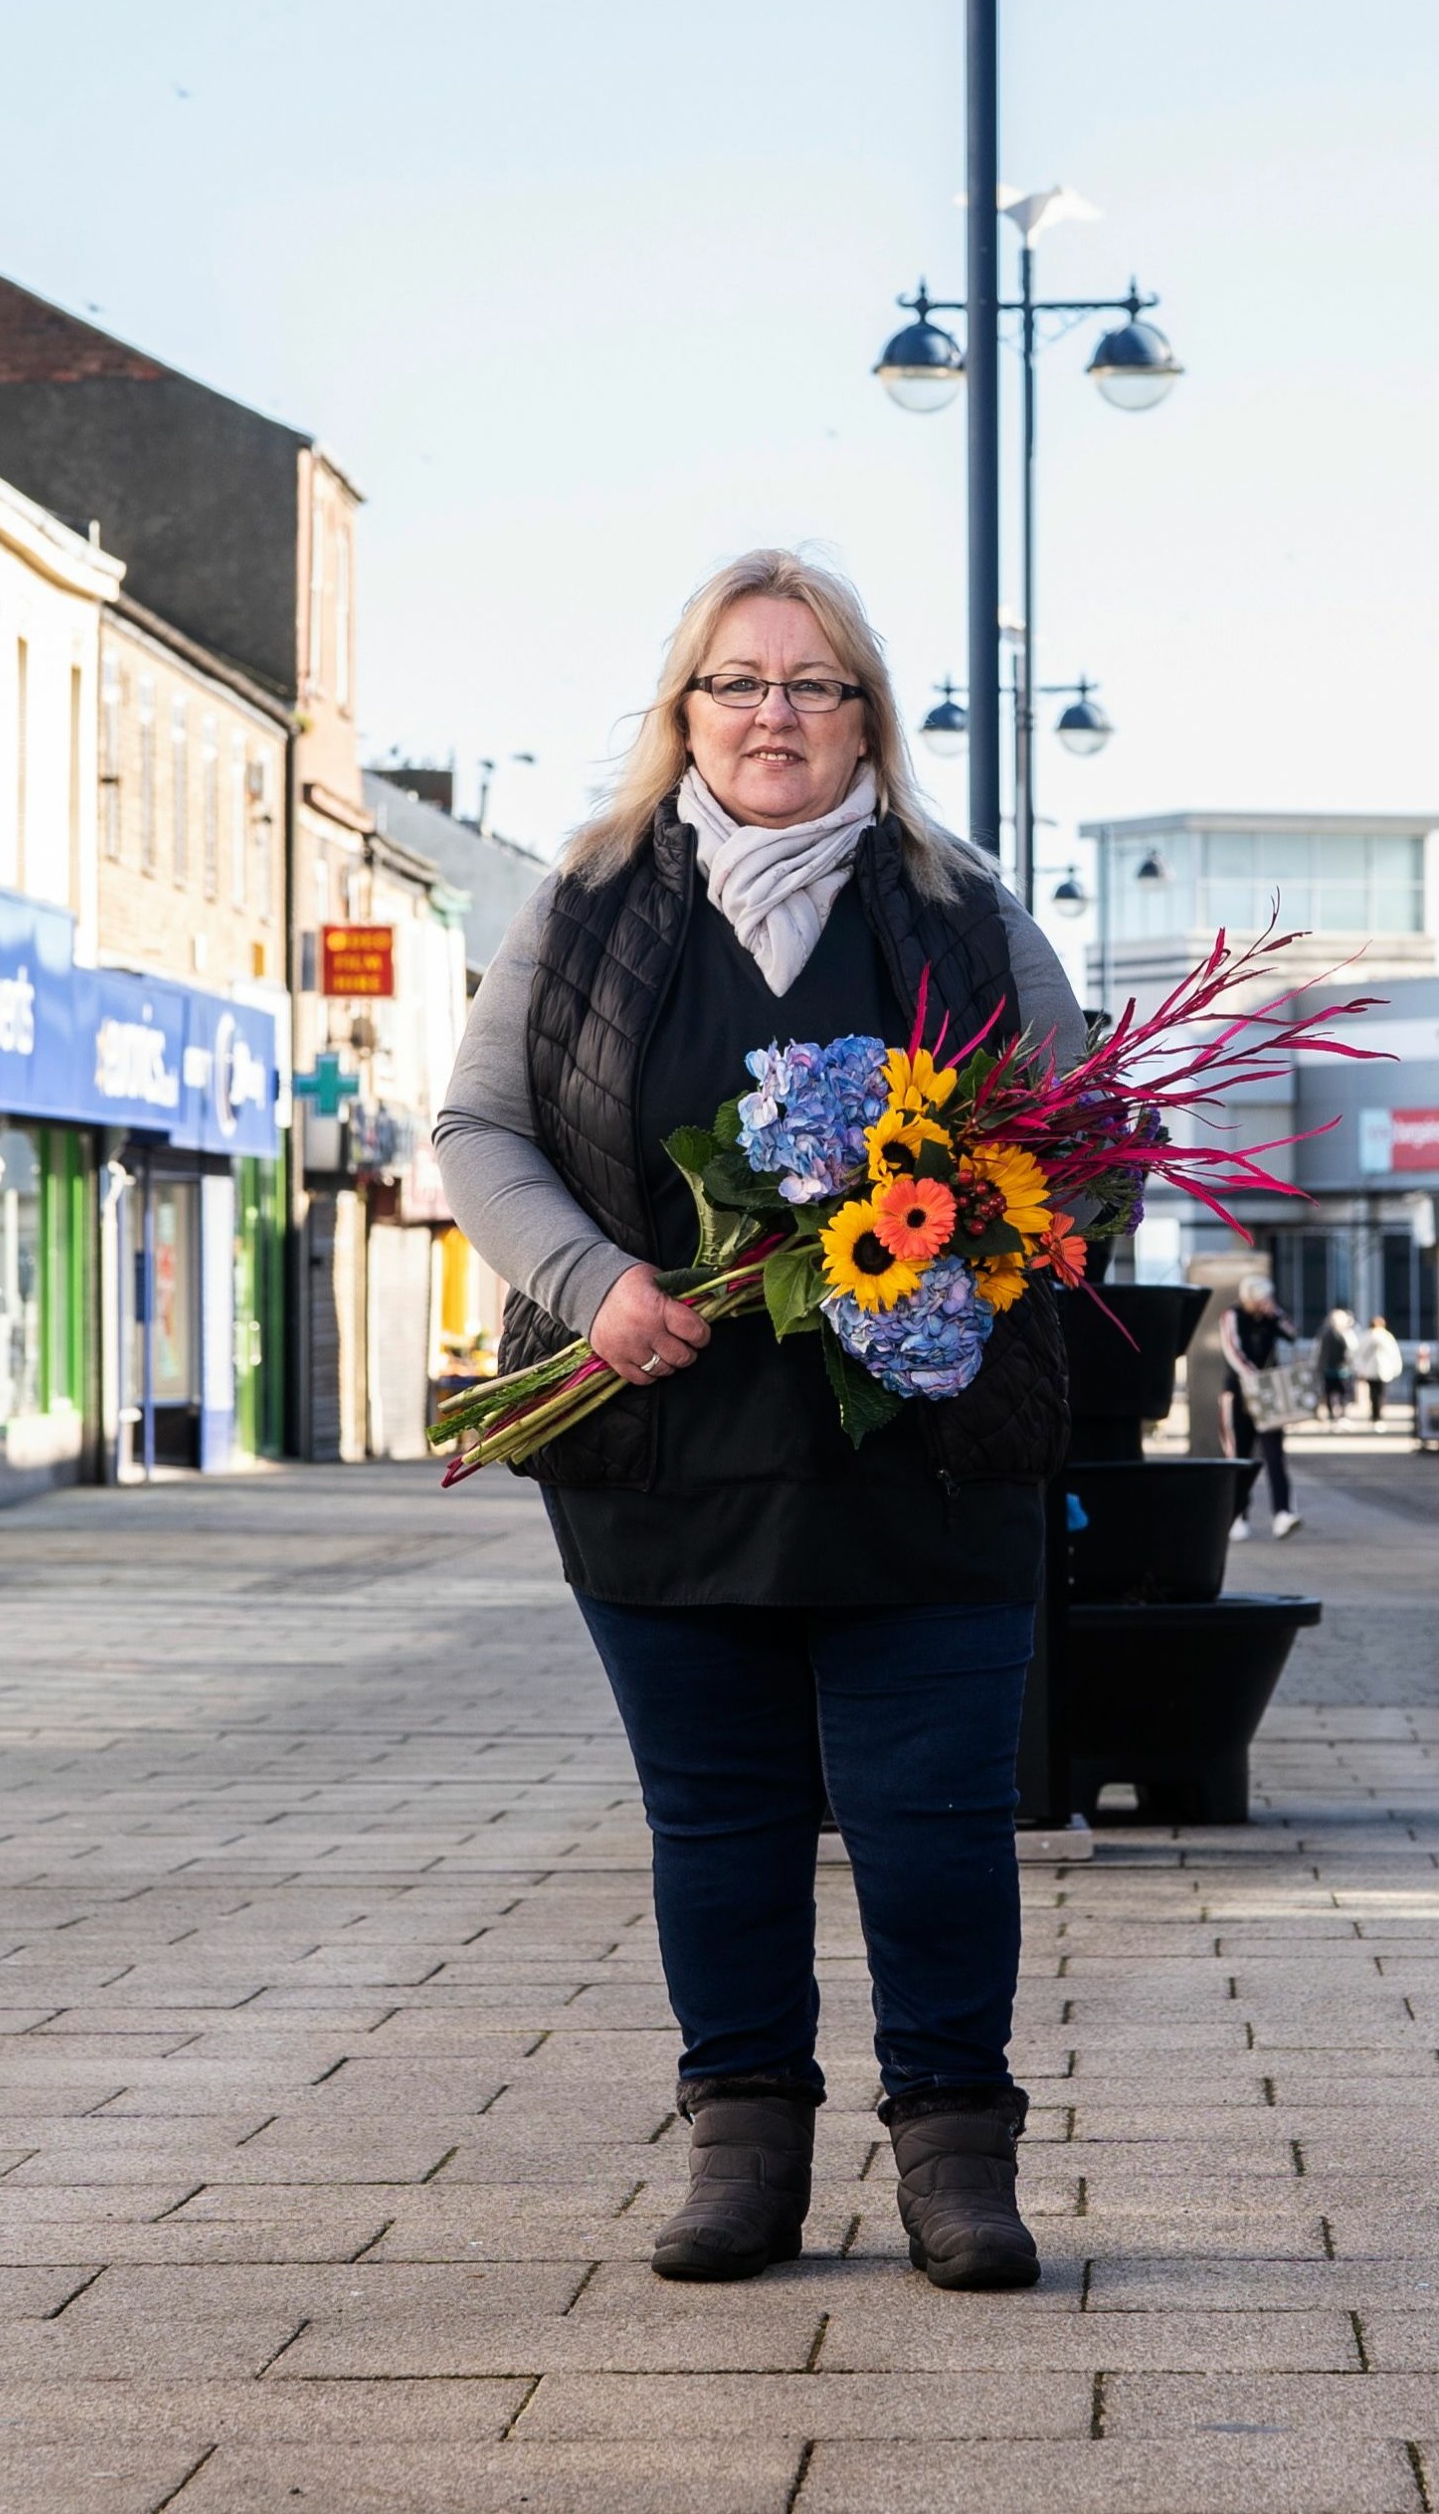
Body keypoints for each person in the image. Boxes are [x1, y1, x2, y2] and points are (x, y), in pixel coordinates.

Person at [435, 549, 1080, 2296]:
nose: (773, 714)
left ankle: (957, 2154)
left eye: (812, 684)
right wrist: (593, 1286)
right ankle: (745, 2152)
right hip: (661, 1455)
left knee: (933, 1826)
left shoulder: (960, 909)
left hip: (930, 1463)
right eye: (738, 682)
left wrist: (973, 1234)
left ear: (866, 717)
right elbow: (480, 1131)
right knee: (717, 1827)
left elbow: (1084, 1145)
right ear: (685, 712)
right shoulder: (586, 907)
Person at [1221, 1278, 1301, 1542]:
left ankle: (1283, 1512)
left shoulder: (1271, 1317)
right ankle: (1238, 1516)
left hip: (1268, 1397)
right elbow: (1233, 1351)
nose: (1264, 1304)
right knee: (1240, 1457)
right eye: (1261, 1300)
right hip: (1240, 1394)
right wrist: (1254, 1378)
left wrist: (1275, 1314)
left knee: (1275, 1455)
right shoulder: (1232, 1316)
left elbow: (1293, 1333)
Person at [1363, 1312, 1405, 1425]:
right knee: (1380, 1393)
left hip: (1369, 1371)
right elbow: (1393, 1353)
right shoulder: (1386, 1336)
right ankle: (1378, 1415)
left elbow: (1359, 1354)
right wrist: (1396, 1368)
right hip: (1383, 1370)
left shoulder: (1366, 1336)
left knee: (1373, 1393)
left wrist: (1360, 1369)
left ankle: (1374, 1415)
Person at [1318, 1306, 1357, 1423]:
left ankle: (1334, 1414)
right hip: (1340, 1369)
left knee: (1333, 1392)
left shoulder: (1326, 1334)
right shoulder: (1344, 1334)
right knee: (1342, 1392)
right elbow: (1352, 1351)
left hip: (1335, 1369)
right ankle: (1340, 1414)